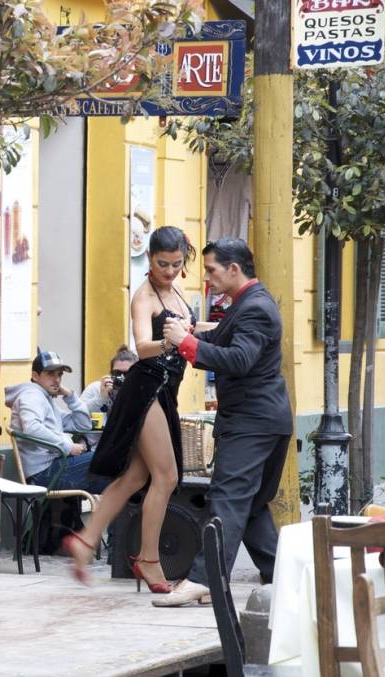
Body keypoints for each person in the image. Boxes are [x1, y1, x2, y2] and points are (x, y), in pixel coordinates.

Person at [154, 238, 292, 607]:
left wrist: (186, 342)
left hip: (252, 422)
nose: (208, 278)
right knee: (251, 505)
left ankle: (204, 578)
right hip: (262, 419)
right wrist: (195, 333)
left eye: (212, 270)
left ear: (234, 269)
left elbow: (239, 358)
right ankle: (285, 578)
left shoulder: (256, 307)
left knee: (228, 500)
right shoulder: (247, 303)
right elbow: (227, 337)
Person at [63, 226, 199, 594]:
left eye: (175, 264)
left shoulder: (175, 292)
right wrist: (173, 340)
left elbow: (190, 332)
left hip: (164, 390)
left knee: (135, 478)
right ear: (150, 260)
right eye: (161, 264)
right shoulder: (144, 297)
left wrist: (210, 331)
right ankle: (149, 559)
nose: (169, 271)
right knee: (166, 477)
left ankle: (86, 540)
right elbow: (141, 346)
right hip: (146, 389)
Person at [5, 350, 110, 494]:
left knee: (116, 484)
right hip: (43, 474)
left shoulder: (45, 398)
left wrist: (70, 396)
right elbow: (32, 428)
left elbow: (83, 425)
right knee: (108, 457)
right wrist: (67, 446)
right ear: (35, 376)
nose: (57, 380)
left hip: (53, 468)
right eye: (50, 374)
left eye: (59, 374)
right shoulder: (31, 396)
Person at [80, 345, 138, 445]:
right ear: (110, 373)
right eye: (117, 373)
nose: (122, 377)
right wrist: (101, 398)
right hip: (94, 448)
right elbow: (79, 416)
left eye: (127, 373)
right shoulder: (96, 389)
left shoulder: (139, 392)